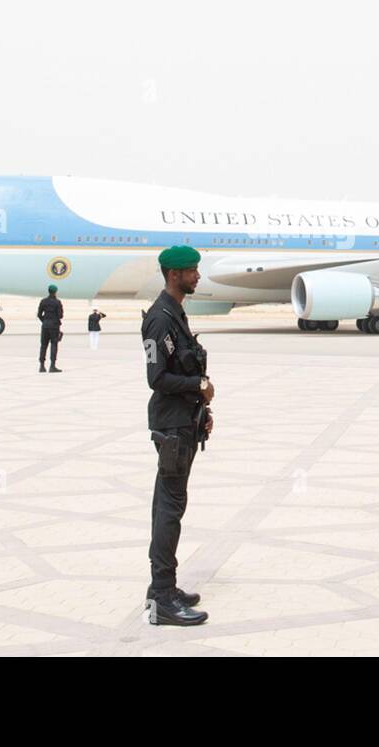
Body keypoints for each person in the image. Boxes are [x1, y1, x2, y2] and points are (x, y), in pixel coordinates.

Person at [141, 245, 214, 626]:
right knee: (169, 508)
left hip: (183, 423)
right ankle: (164, 598)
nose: (198, 276)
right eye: (192, 271)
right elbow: (157, 378)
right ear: (174, 275)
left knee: (170, 504)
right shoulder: (159, 318)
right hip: (171, 428)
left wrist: (202, 411)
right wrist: (199, 384)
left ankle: (161, 589)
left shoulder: (175, 312)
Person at [37, 284, 64, 373]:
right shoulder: (57, 302)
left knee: (43, 345)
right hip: (54, 326)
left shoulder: (43, 301)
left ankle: (42, 366)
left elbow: (39, 315)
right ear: (55, 291)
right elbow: (60, 315)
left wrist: (45, 321)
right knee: (54, 345)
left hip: (45, 326)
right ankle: (52, 366)